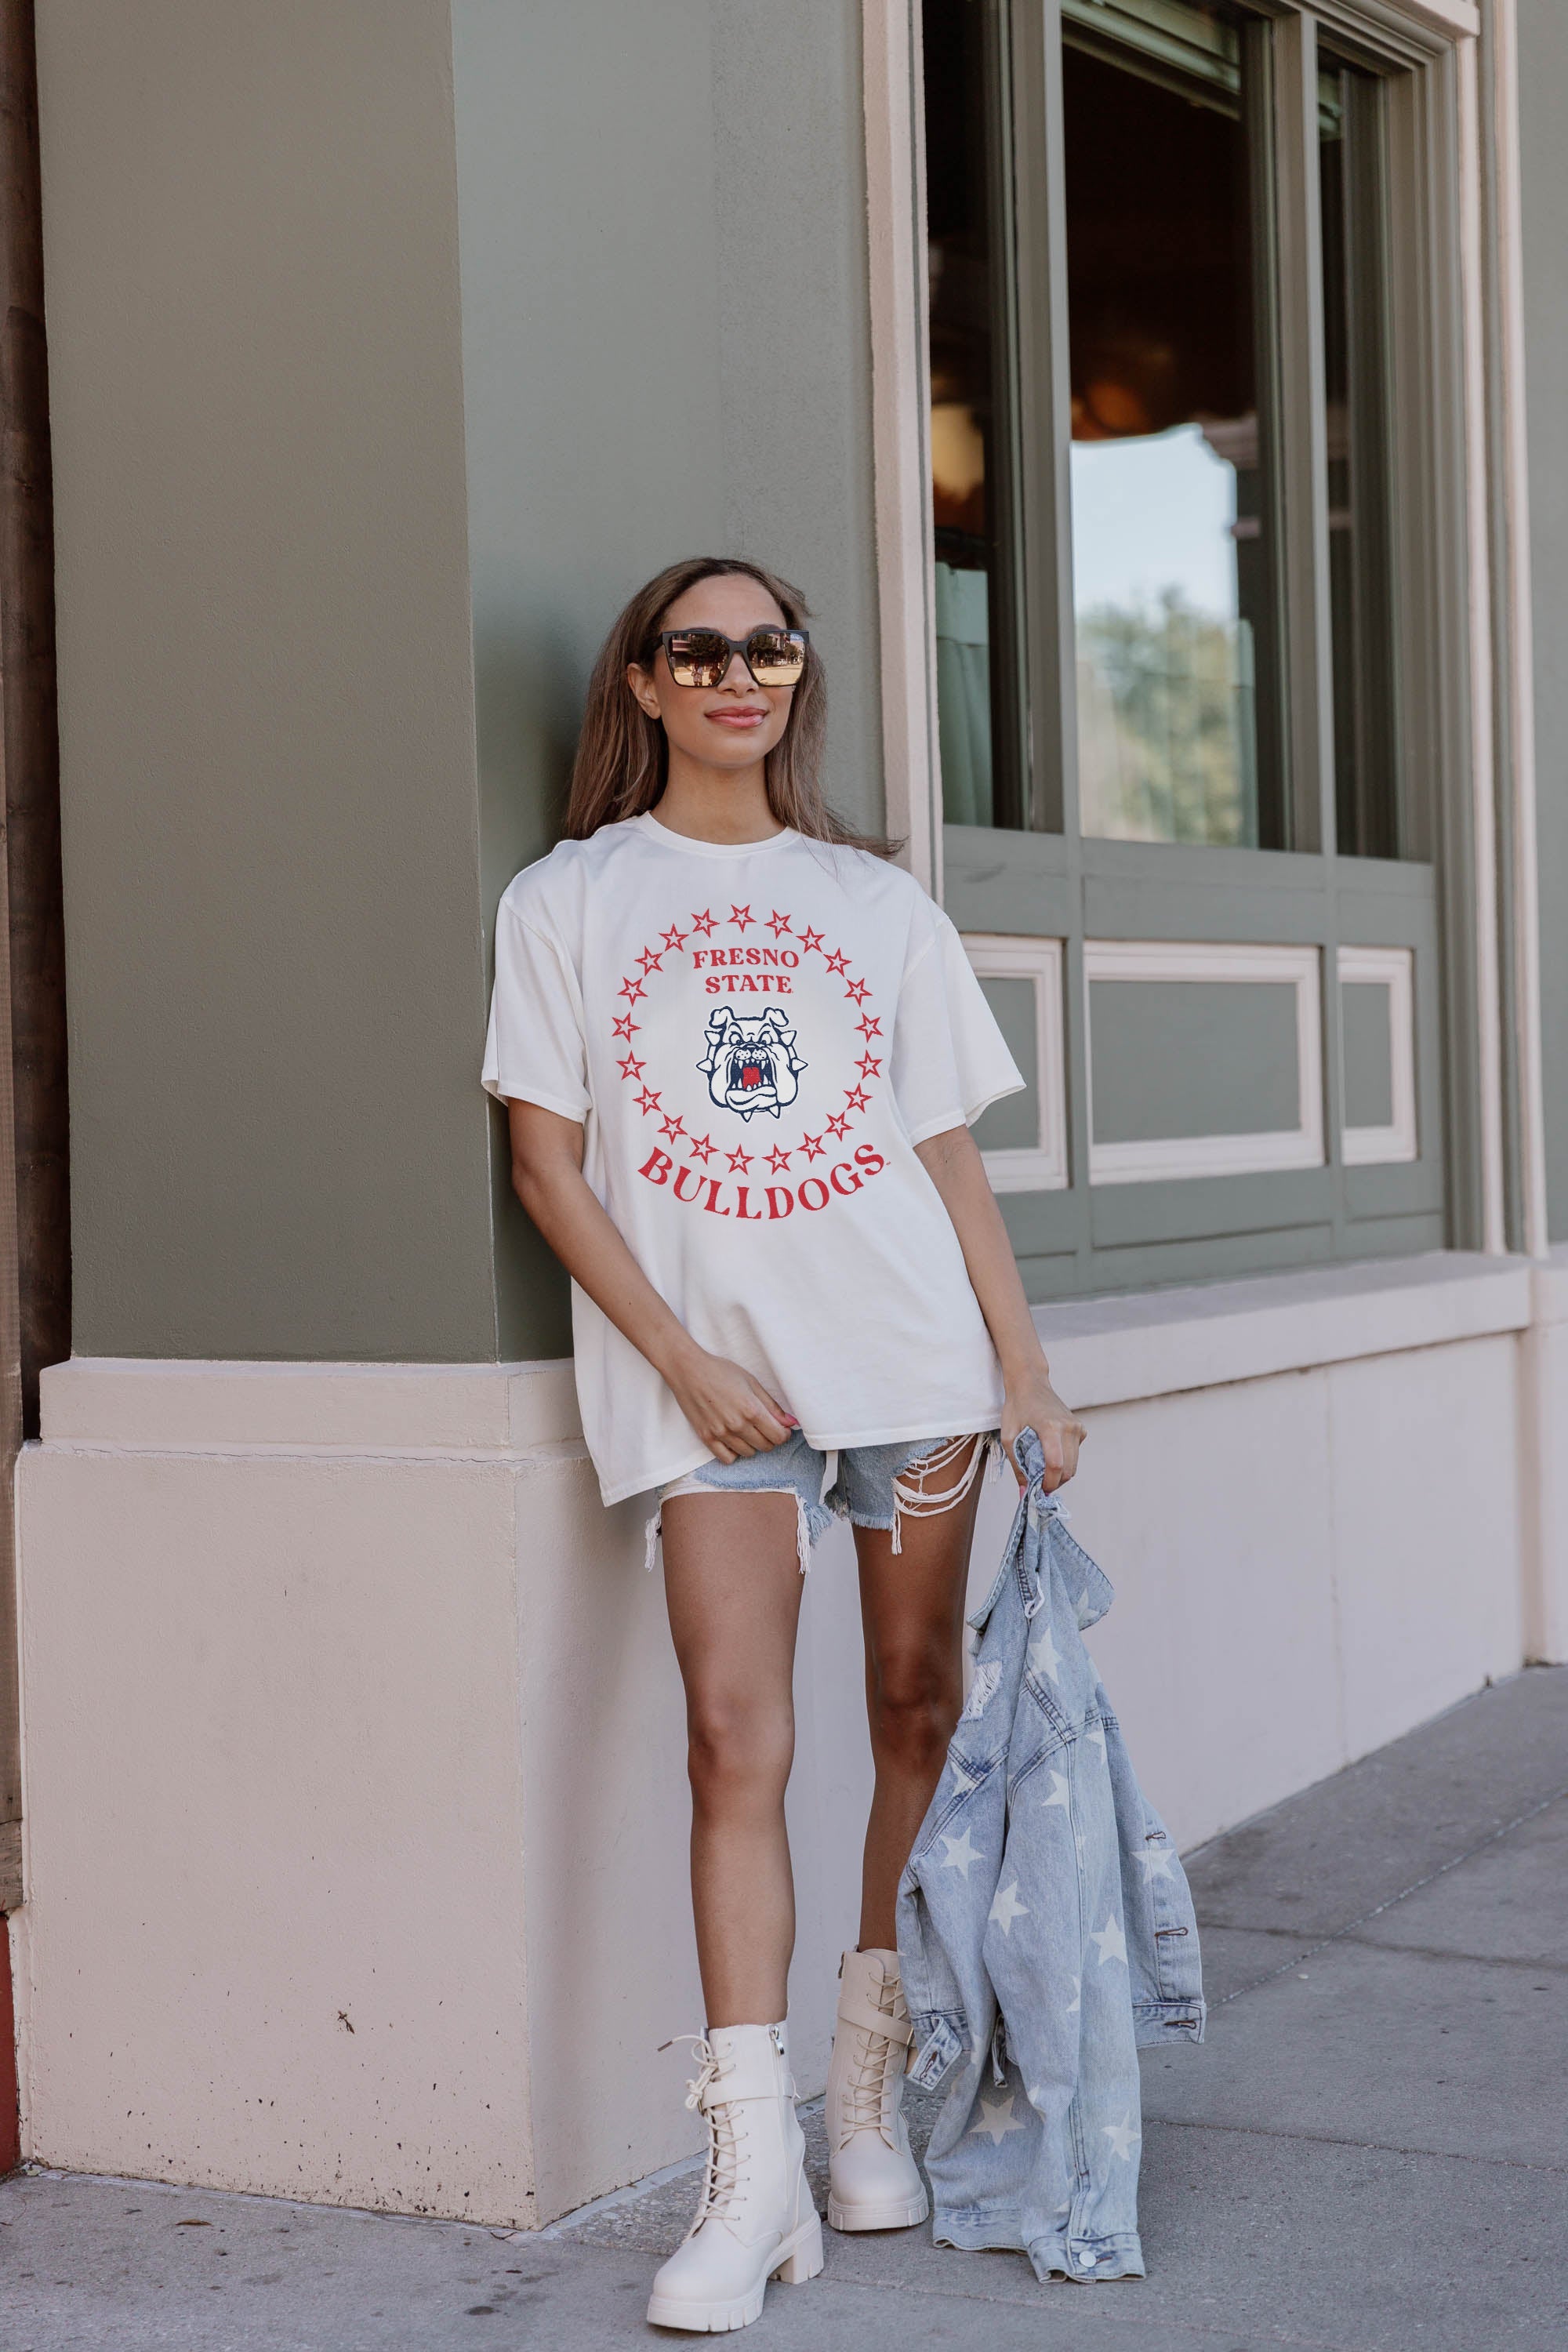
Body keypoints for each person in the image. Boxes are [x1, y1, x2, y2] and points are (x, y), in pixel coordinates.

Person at [483, 555, 1085, 2333]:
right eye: (698, 650)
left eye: (766, 646)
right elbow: (546, 1165)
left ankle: (867, 2082)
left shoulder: (873, 902)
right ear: (646, 687)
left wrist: (1024, 1372)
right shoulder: (571, 898)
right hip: (710, 1394)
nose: (736, 674)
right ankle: (749, 2176)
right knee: (730, 1738)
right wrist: (680, 1357)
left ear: (793, 678)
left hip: (908, 1371)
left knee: (918, 1709)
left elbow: (943, 1156)